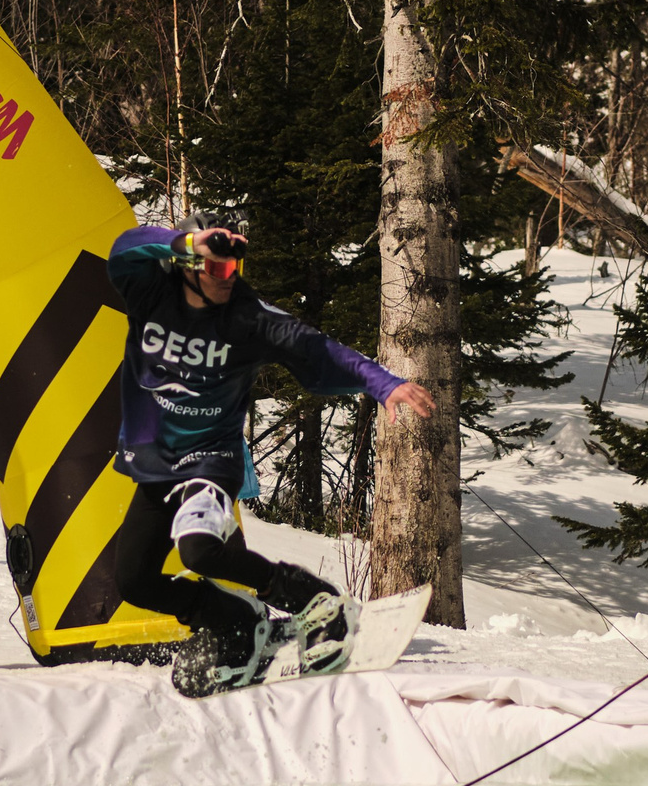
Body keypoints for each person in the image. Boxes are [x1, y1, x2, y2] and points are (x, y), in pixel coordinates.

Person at [106, 211, 438, 694]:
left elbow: (321, 350)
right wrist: (185, 240)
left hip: (209, 461)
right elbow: (124, 248)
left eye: (234, 269)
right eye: (217, 269)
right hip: (155, 466)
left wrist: (383, 385)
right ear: (186, 265)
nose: (228, 280)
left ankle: (316, 601)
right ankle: (232, 617)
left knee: (198, 550)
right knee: (133, 582)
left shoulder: (249, 318)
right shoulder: (149, 292)